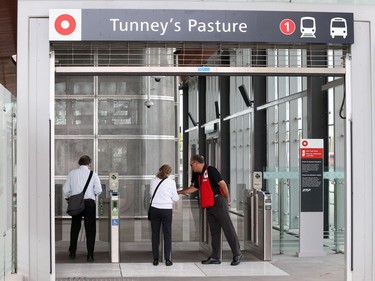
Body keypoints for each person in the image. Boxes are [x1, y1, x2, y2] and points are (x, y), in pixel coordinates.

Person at [178, 155, 243, 266]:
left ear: (196, 163)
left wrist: (227, 198)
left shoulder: (211, 170)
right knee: (214, 231)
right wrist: (179, 192)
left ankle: (237, 254)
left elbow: (222, 184)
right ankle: (215, 257)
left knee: (228, 228)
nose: (191, 167)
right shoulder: (198, 175)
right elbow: (194, 188)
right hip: (209, 205)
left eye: (191, 164)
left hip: (219, 202)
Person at [63, 155, 102, 262]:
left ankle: (72, 252)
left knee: (75, 227)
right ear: (89, 164)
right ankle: (90, 255)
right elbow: (98, 190)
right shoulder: (93, 174)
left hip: (76, 203)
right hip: (89, 203)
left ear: (79, 163)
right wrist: (92, 193)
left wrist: (68, 199)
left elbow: (66, 190)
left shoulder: (72, 173)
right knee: (90, 229)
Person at [149, 164, 180, 266]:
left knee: (155, 234)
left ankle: (155, 259)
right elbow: (175, 198)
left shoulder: (153, 181)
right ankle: (167, 259)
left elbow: (151, 193)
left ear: (160, 170)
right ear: (169, 172)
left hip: (154, 209)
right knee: (167, 234)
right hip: (166, 210)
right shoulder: (171, 182)